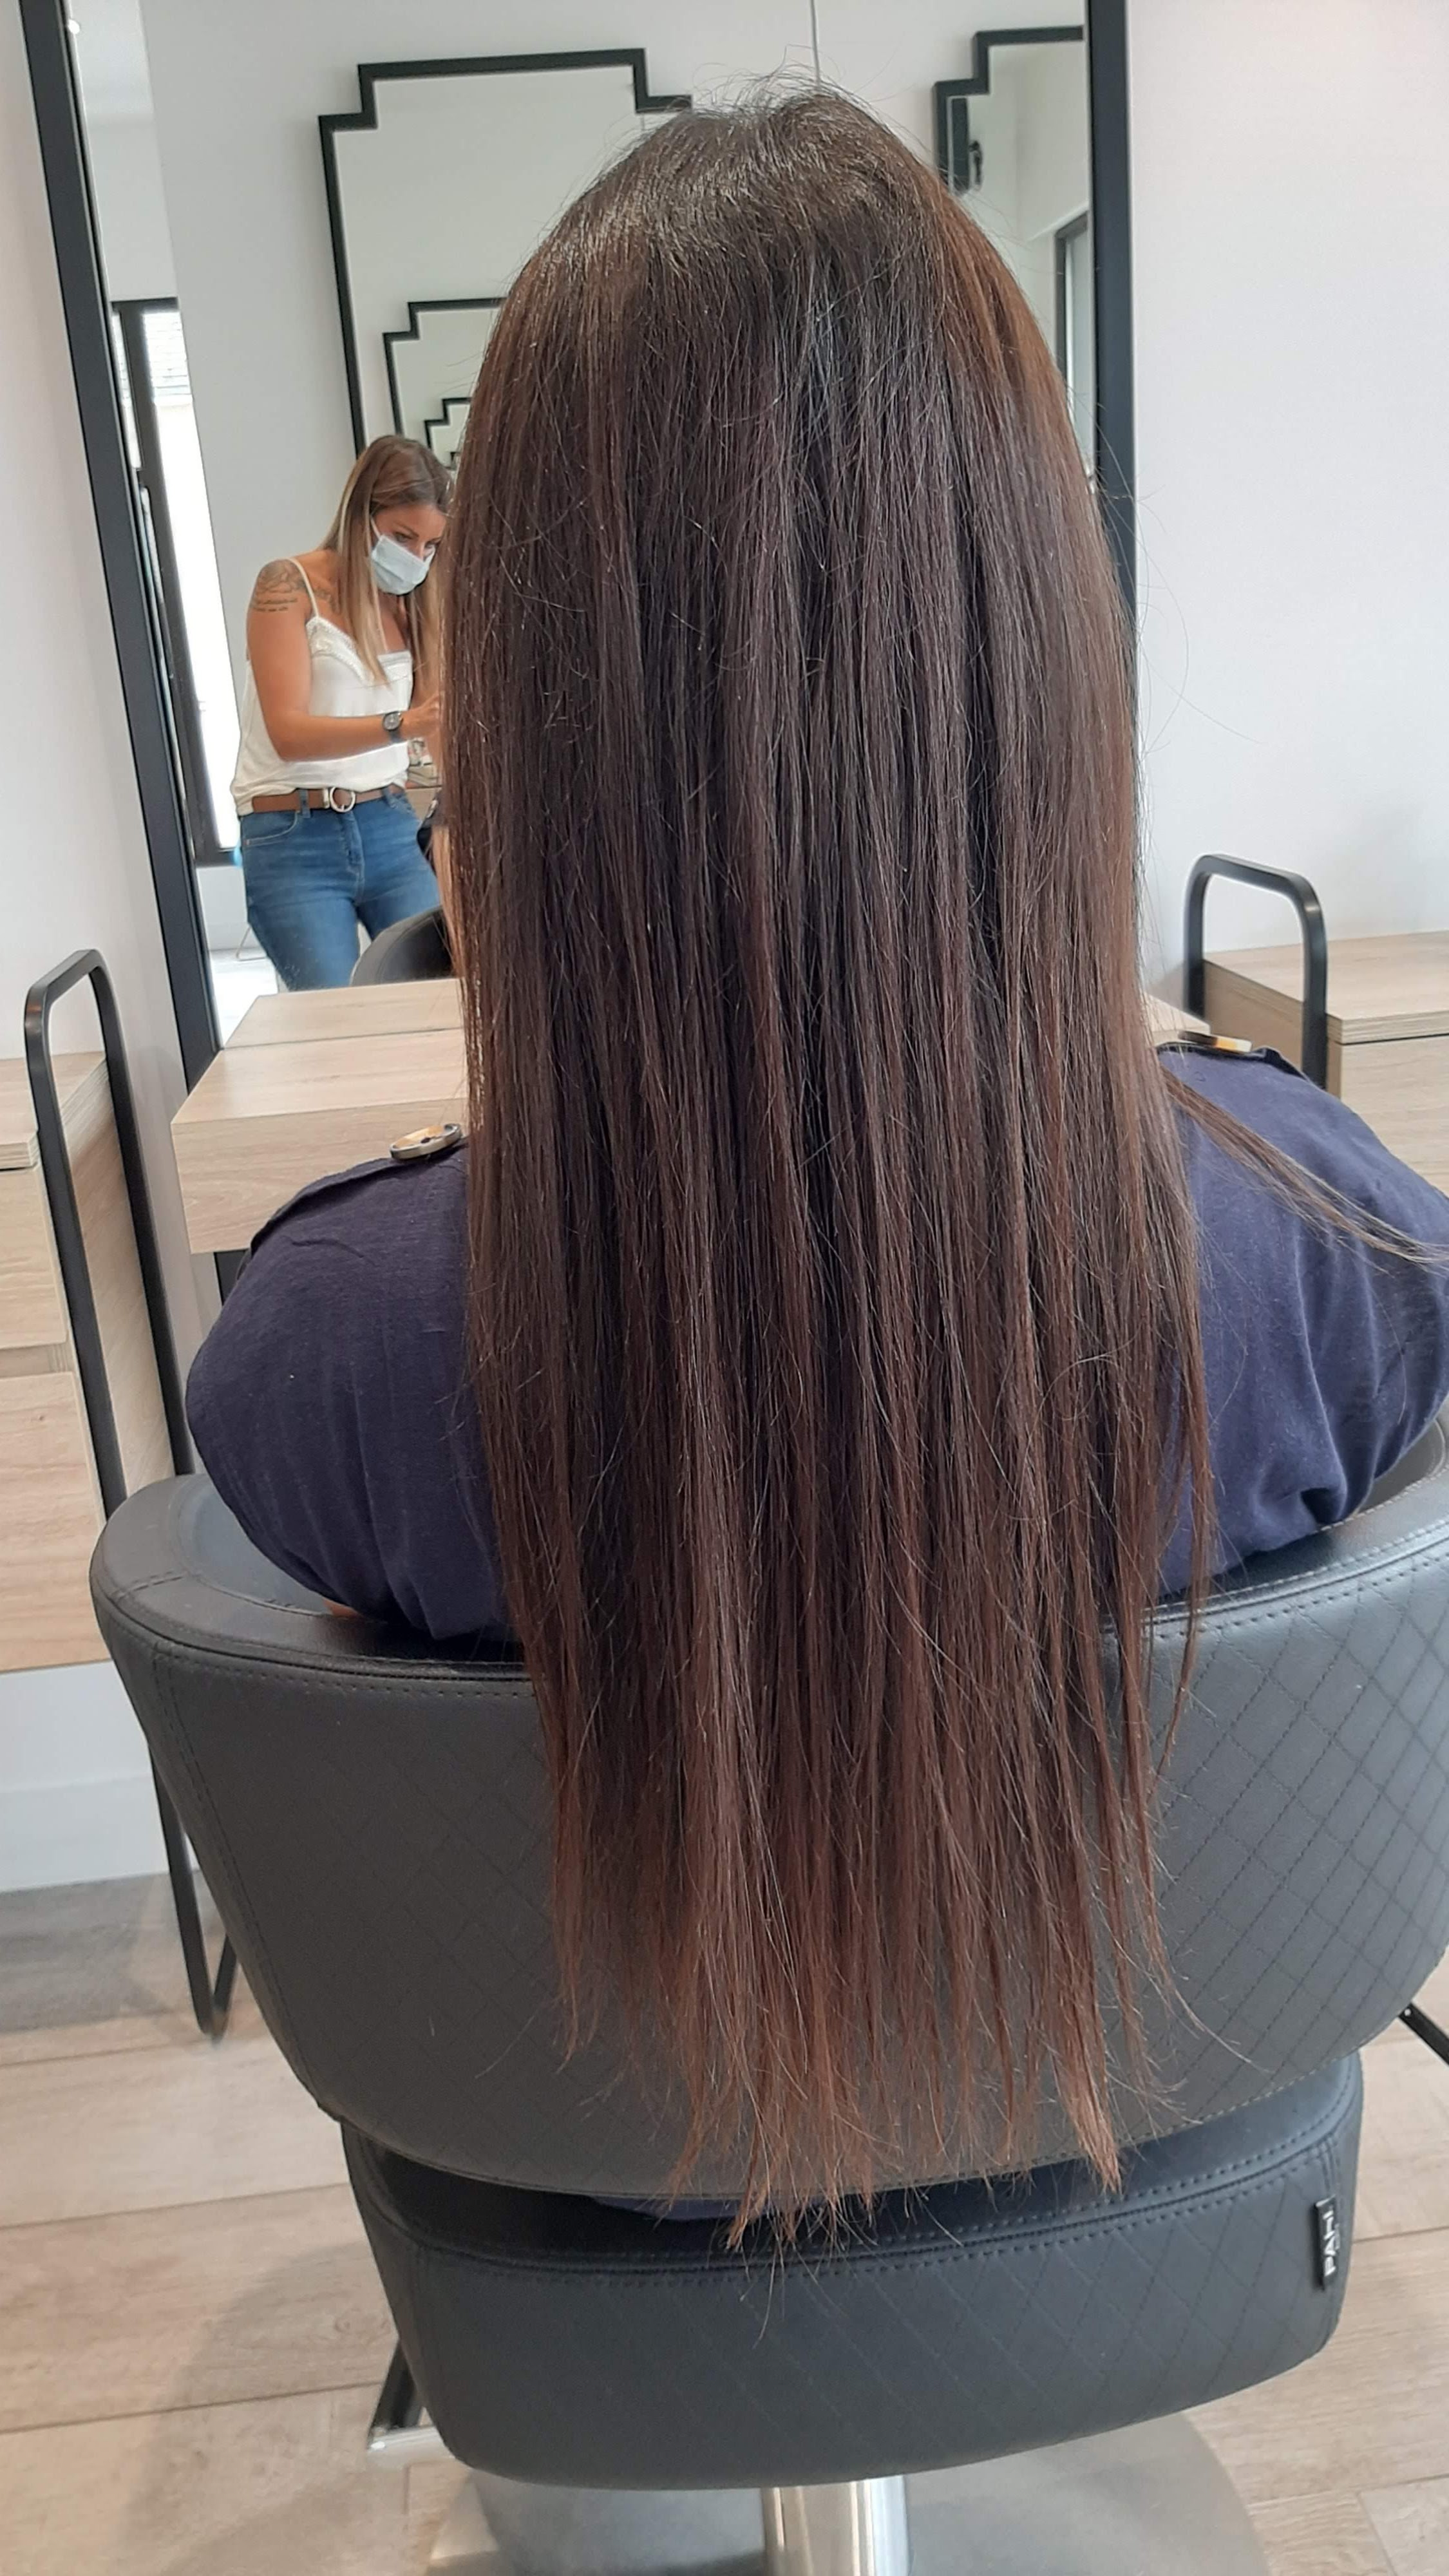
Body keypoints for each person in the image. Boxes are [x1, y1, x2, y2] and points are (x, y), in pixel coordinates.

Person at [187, 95, 1449, 2226]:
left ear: (526, 710)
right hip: (1152, 2200)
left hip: (593, 2241)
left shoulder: (324, 1356)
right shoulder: (1323, 1246)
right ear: (1043, 656)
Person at [231, 435, 448, 989]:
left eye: (430, 545)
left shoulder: (412, 604)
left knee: (433, 998)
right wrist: (403, 725)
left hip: (389, 824)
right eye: (403, 537)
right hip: (292, 833)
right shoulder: (287, 585)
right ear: (361, 515)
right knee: (332, 1017)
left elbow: (440, 724)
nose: (416, 558)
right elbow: (289, 734)